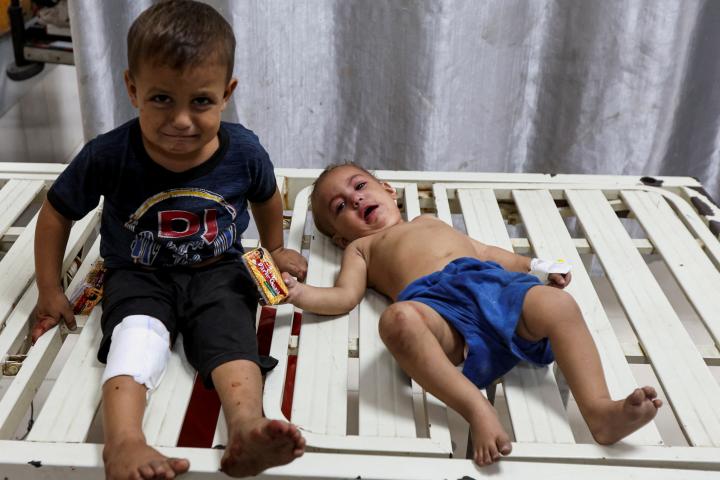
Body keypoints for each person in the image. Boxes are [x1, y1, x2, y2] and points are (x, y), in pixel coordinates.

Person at [30, 1, 307, 478]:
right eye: (161, 98)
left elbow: (266, 197)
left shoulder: (243, 150)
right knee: (136, 338)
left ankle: (246, 427)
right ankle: (123, 443)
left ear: (226, 93)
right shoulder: (109, 154)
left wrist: (274, 246)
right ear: (132, 89)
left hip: (219, 270)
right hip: (138, 274)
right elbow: (56, 212)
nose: (181, 120)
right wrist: (49, 288)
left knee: (232, 338)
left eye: (200, 101)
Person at [283, 163, 662, 467]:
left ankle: (599, 411)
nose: (354, 199)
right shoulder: (361, 249)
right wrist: (300, 293)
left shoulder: (428, 221)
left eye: (360, 185)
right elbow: (344, 296)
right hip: (440, 310)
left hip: (492, 287)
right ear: (341, 239)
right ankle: (476, 408)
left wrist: (536, 267)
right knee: (397, 320)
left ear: (388, 189)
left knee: (558, 305)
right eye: (340, 207)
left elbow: (488, 253)